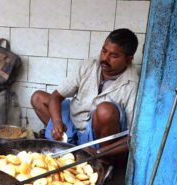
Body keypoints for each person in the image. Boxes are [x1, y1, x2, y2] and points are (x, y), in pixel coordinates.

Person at [31, 28, 139, 158]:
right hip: (72, 123)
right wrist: (57, 122)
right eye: (104, 51)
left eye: (114, 56)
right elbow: (56, 96)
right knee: (38, 98)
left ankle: (102, 160)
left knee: (105, 110)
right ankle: (69, 145)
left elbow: (133, 136)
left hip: (97, 139)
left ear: (128, 60)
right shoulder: (89, 65)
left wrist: (99, 152)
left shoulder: (133, 84)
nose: (105, 58)